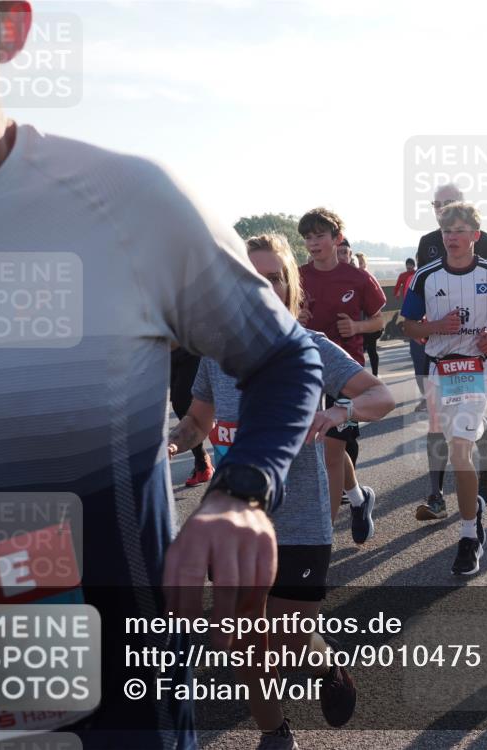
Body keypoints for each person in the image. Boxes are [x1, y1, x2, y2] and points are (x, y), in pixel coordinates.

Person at [0, 3, 322, 747]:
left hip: (104, 716)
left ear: (7, 26)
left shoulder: (128, 205)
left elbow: (281, 356)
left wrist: (240, 491)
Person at [168, 234, 394, 747]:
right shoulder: (215, 357)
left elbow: (382, 396)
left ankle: (326, 665)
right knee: (246, 642)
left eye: (273, 277)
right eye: (250, 277)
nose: (261, 287)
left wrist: (341, 411)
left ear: (289, 286)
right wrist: (172, 443)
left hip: (300, 525)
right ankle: (276, 734)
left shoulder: (312, 349)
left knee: (290, 642)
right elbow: (198, 420)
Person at [401, 203, 487, 574]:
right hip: (439, 370)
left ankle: (467, 536)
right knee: (456, 441)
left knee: (459, 450)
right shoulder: (426, 276)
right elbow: (406, 327)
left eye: (461, 230)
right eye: (447, 231)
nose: (453, 237)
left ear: (476, 236)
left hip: (477, 370)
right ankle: (476, 475)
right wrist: (435, 328)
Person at [298, 209, 387, 541]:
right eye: (307, 238)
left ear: (337, 239)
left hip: (347, 374)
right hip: (304, 372)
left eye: (320, 236)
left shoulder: (358, 278)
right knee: (324, 449)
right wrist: (297, 317)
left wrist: (358, 326)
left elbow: (380, 321)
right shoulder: (296, 275)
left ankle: (324, 538)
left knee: (331, 452)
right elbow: (282, 315)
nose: (313, 243)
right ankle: (359, 499)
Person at [417, 183, 487, 502]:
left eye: (448, 203)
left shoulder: (486, 241)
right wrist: (426, 327)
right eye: (435, 204)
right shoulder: (427, 242)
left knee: (463, 418)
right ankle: (436, 493)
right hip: (437, 345)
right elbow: (420, 291)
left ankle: (484, 452)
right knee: (436, 420)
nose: (440, 208)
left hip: (474, 349)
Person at [169, 347, 214, 486]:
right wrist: (173, 442)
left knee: (182, 400)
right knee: (179, 403)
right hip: (162, 350)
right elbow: (197, 423)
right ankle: (201, 460)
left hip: (193, 347)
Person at [353, 250, 384, 377]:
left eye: (361, 263)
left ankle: (374, 374)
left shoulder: (369, 278)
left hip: (370, 320)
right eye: (357, 263)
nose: (359, 265)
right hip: (360, 320)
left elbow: (379, 300)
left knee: (371, 349)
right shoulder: (351, 278)